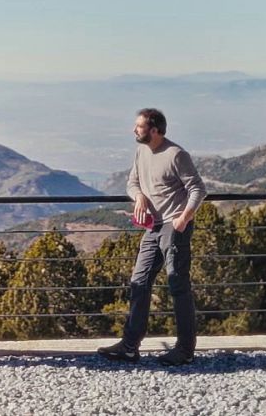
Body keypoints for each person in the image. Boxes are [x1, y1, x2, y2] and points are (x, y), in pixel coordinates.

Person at [99, 107, 206, 366]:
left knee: (178, 285)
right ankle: (129, 346)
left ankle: (185, 350)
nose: (134, 130)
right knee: (139, 282)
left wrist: (183, 218)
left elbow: (198, 189)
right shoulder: (141, 151)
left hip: (173, 227)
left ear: (155, 130)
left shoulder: (176, 154)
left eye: (139, 126)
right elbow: (132, 182)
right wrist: (139, 196)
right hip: (152, 227)